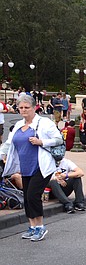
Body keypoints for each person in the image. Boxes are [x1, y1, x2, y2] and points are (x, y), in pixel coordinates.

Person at [0, 94, 63, 241]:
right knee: (27, 198)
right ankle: (32, 226)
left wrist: (41, 142)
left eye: (27, 107)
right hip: (25, 167)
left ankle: (40, 227)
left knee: (32, 195)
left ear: (34, 108)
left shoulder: (44, 123)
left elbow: (58, 139)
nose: (23, 110)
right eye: (21, 107)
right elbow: (9, 144)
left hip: (41, 166)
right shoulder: (18, 125)